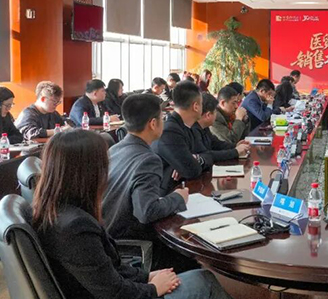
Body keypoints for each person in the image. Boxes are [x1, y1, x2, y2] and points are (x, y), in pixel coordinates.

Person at [32, 128, 233, 299]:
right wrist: (153, 288)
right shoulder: (75, 228)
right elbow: (113, 292)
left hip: (123, 286)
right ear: (89, 171)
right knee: (204, 281)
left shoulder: (57, 210)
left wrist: (146, 276)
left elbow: (106, 271)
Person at [102, 94, 188, 243]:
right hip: (129, 242)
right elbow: (147, 211)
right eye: (162, 118)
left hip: (108, 233)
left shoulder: (115, 149)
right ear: (153, 123)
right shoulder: (148, 160)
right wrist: (178, 197)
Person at [152, 81, 209, 184]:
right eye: (201, 104)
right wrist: (191, 162)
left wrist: (196, 159)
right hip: (169, 190)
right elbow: (192, 170)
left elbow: (207, 153)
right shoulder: (170, 131)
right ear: (196, 106)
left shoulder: (188, 125)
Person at [193, 93, 249, 163]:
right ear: (208, 115)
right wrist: (235, 152)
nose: (216, 115)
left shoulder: (204, 127)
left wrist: (235, 146)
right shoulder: (193, 130)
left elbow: (216, 144)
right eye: (215, 112)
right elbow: (206, 155)